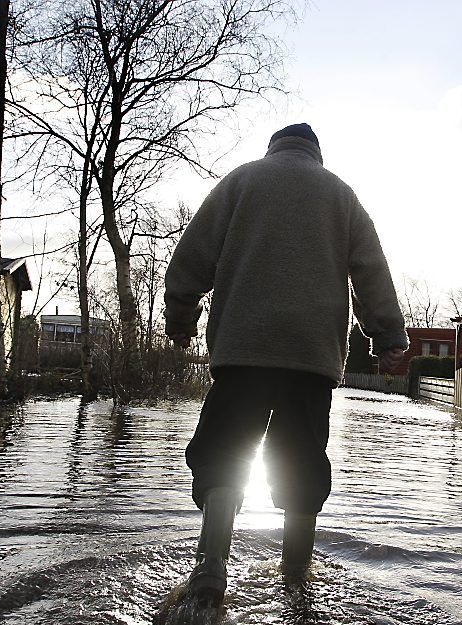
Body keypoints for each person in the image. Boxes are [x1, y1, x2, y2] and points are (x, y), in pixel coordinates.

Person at [163, 123, 407, 605]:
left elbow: (190, 256)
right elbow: (371, 271)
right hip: (311, 359)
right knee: (302, 459)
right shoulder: (341, 195)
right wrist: (388, 337)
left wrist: (181, 318)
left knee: (223, 451)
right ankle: (297, 577)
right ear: (316, 153)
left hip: (242, 350)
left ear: (273, 147)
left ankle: (210, 571)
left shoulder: (242, 181)